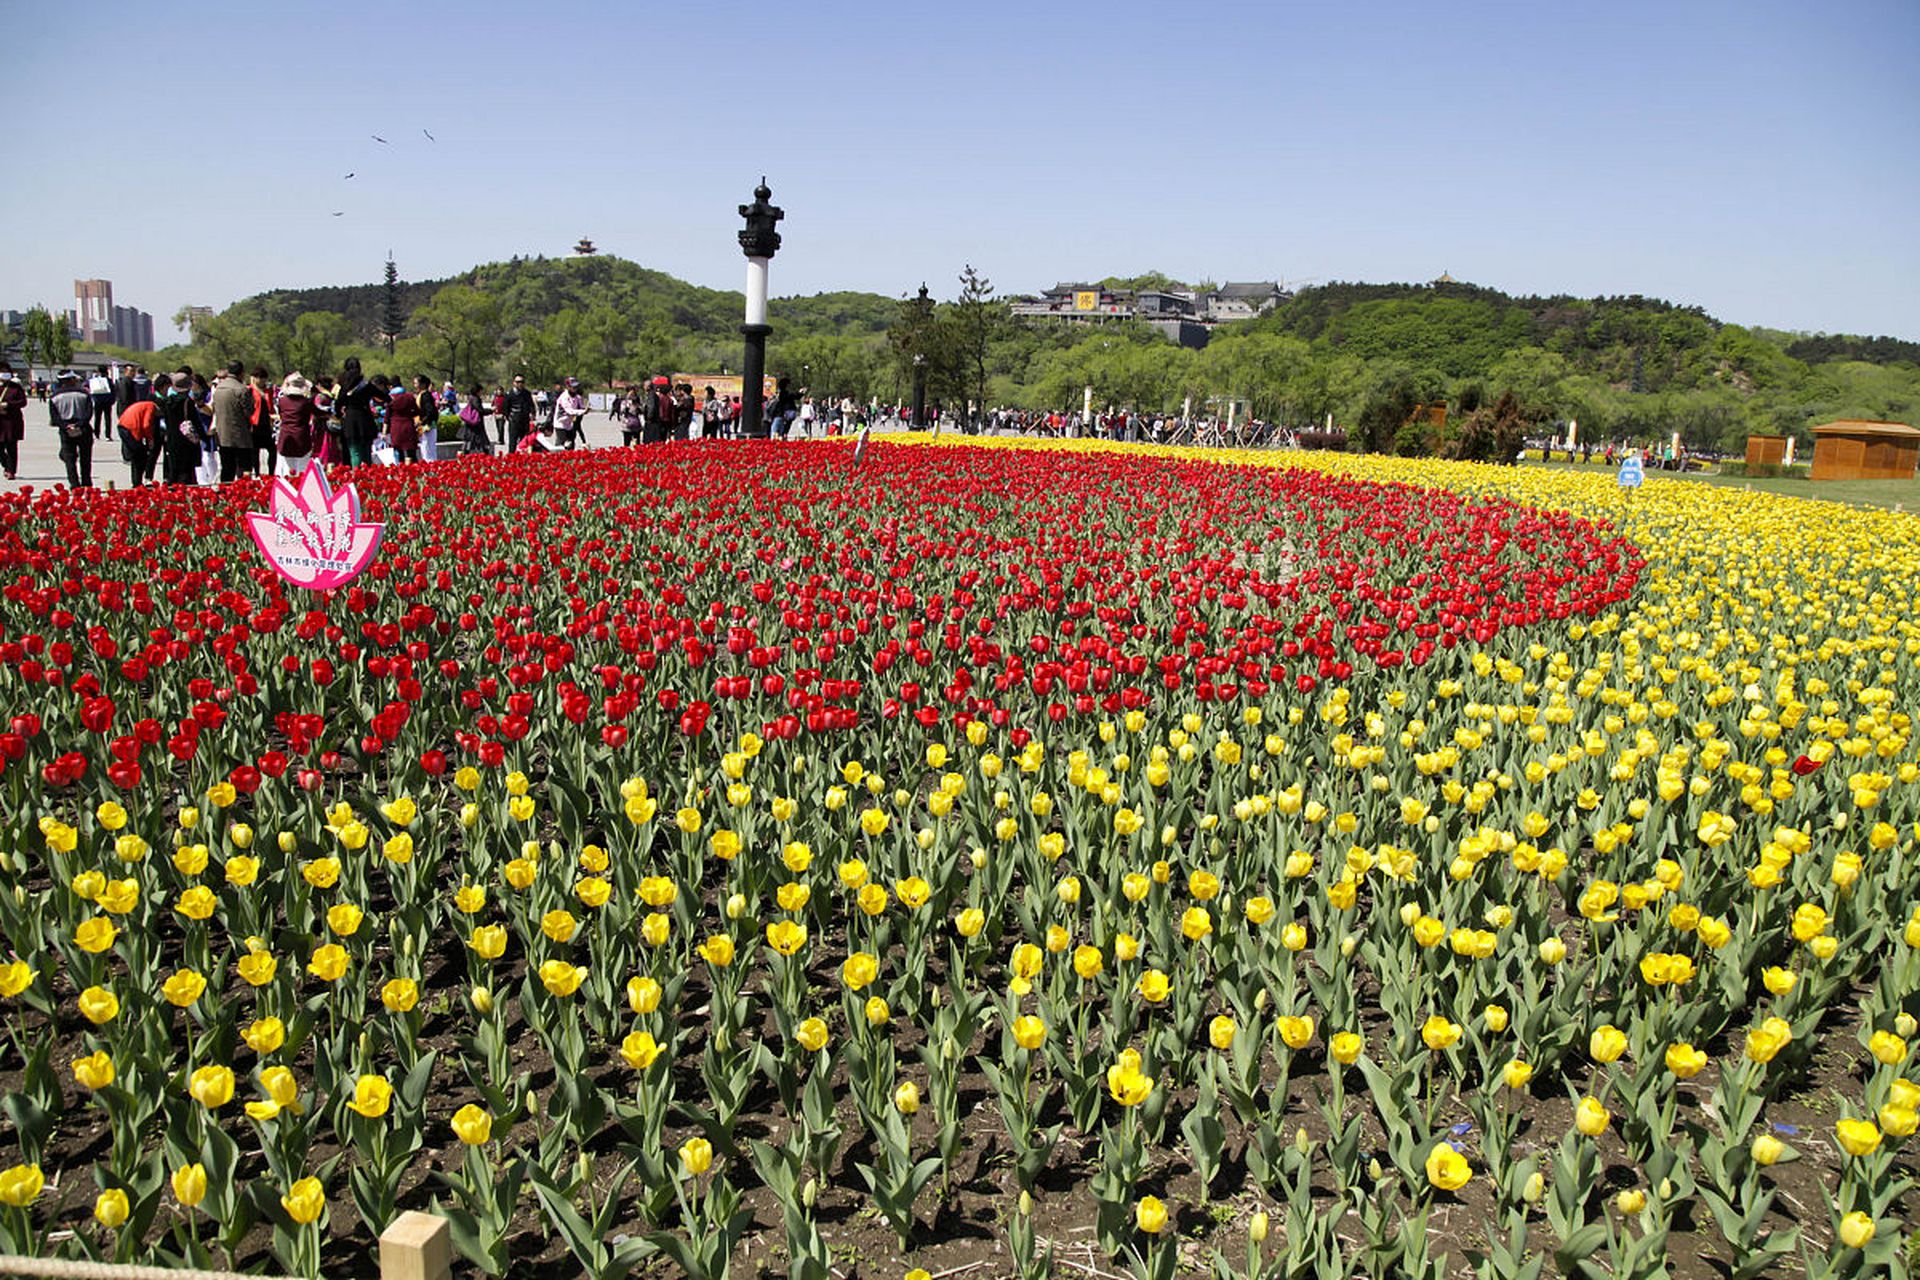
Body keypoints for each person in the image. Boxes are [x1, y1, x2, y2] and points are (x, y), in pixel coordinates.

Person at [210, 361, 254, 483]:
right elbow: (249, 411)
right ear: (241, 372)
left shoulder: (218, 388)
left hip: (223, 435)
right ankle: (244, 493)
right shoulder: (241, 389)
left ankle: (226, 494)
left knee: (227, 468)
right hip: (240, 435)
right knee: (245, 467)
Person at [50, 370, 95, 488]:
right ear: (71, 380)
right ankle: (87, 482)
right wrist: (79, 424)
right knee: (85, 458)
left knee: (70, 459)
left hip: (66, 430)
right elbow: (89, 413)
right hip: (83, 428)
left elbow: (54, 417)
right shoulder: (84, 394)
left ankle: (74, 484)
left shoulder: (55, 397)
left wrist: (66, 426)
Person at [156, 370, 199, 484]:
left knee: (174, 469)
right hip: (186, 440)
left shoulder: (167, 402)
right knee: (186, 471)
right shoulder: (187, 402)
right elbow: (195, 422)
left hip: (171, 439)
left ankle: (173, 493)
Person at [116, 383, 161, 486]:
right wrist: (150, 439)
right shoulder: (151, 407)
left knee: (139, 455)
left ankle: (137, 481)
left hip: (125, 426)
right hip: (128, 428)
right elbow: (146, 425)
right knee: (139, 456)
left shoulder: (145, 404)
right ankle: (137, 483)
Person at [336, 357, 378, 465]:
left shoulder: (345, 387)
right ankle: (369, 477)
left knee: (355, 452)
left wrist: (339, 414)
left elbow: (338, 404)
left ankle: (357, 477)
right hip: (366, 420)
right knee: (367, 452)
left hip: (351, 422)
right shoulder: (366, 385)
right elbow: (383, 397)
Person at [274, 373, 317, 476]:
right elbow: (317, 412)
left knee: (286, 469)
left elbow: (280, 415)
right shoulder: (306, 403)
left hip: (285, 437)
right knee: (302, 470)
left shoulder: (281, 401)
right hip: (302, 437)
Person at [248, 367, 278, 475]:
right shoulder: (250, 390)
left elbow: (270, 406)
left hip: (266, 424)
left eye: (264, 378)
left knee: (272, 450)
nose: (262, 381)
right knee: (255, 451)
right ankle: (257, 473)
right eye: (260, 378)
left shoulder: (267, 391)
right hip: (255, 424)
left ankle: (271, 473)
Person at [0, 364, 25, 480]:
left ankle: (11, 471)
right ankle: (6, 465)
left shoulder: (16, 387)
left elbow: (23, 402)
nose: (4, 373)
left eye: (6, 371)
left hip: (12, 421)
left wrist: (9, 405)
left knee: (11, 447)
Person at [387, 377, 419, 462]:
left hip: (395, 428)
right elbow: (416, 411)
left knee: (398, 453)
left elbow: (387, 418)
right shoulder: (409, 396)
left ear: (390, 386)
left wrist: (384, 433)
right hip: (408, 426)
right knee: (411, 453)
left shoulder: (390, 398)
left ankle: (400, 471)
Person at [502, 374, 537, 452]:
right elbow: (505, 407)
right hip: (514, 420)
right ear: (514, 383)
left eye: (522, 382)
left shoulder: (527, 393)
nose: (520, 384)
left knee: (524, 442)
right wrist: (509, 417)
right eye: (518, 382)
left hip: (524, 421)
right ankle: (511, 458)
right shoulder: (509, 394)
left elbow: (531, 405)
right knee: (512, 442)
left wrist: (532, 413)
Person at [553, 377, 588, 448]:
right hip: (560, 424)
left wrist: (585, 408)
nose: (575, 388)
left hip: (569, 424)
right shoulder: (564, 397)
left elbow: (581, 406)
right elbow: (569, 411)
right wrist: (583, 411)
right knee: (561, 446)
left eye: (576, 386)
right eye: (573, 387)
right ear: (568, 387)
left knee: (571, 445)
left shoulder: (577, 397)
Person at [458, 387, 491, 455]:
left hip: (472, 424)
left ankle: (465, 454)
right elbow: (480, 410)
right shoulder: (475, 399)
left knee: (469, 441)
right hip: (475, 424)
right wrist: (490, 410)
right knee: (478, 441)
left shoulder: (471, 398)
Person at [414, 376, 439, 461]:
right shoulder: (421, 395)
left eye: (416, 383)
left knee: (428, 450)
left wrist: (423, 422)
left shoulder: (426, 396)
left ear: (423, 384)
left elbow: (431, 412)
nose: (414, 385)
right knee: (424, 449)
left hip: (427, 427)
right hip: (423, 427)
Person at [643, 375, 673, 444]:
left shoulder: (651, 396)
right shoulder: (655, 395)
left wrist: (648, 417)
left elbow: (651, 408)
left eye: (644, 385)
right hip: (660, 422)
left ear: (648, 386)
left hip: (653, 423)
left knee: (651, 441)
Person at [87, 367, 115, 439]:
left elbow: (87, 385)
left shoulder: (94, 380)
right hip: (107, 401)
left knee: (97, 418)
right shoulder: (108, 381)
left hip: (97, 401)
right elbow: (113, 391)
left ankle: (96, 434)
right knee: (108, 418)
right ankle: (108, 435)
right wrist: (112, 400)